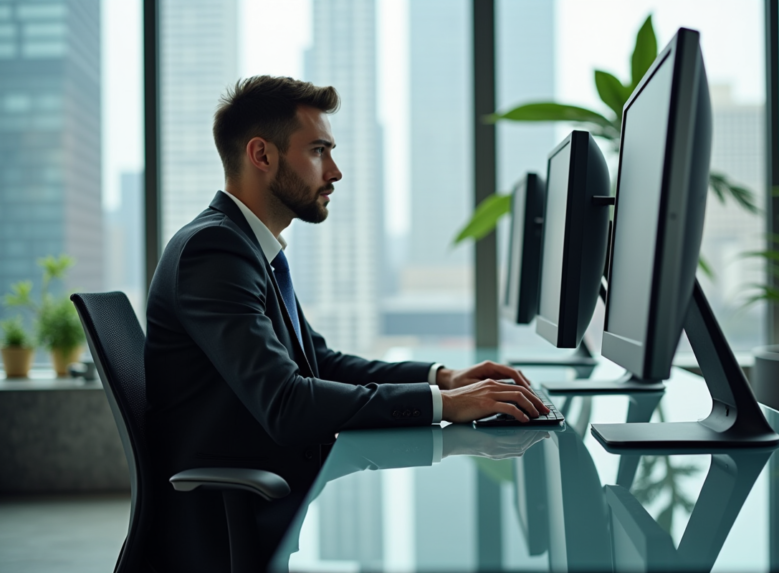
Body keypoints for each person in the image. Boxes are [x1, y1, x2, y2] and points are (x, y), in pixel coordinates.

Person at [143, 75, 548, 571]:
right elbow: (287, 402)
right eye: (318, 151)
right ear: (262, 155)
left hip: (275, 496)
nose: (335, 172)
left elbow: (322, 362)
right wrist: (444, 405)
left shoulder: (248, 249)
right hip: (228, 527)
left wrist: (443, 379)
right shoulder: (215, 252)